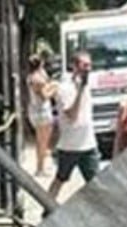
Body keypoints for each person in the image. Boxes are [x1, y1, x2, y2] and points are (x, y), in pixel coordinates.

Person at [49, 51, 98, 199]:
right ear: (75, 66)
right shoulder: (64, 88)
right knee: (60, 179)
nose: (87, 69)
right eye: (84, 65)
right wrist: (80, 91)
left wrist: (83, 87)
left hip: (88, 144)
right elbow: (72, 115)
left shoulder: (87, 86)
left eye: (89, 65)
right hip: (70, 146)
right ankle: (47, 206)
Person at [27, 53, 57, 177]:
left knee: (40, 141)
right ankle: (40, 168)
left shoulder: (31, 77)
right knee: (43, 142)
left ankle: (40, 167)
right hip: (42, 112)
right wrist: (54, 88)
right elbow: (45, 96)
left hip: (34, 111)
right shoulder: (38, 79)